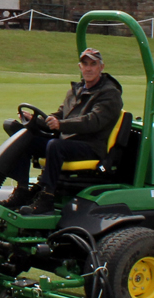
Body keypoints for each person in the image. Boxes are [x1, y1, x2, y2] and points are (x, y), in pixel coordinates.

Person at [18, 46, 126, 214]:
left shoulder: (110, 94)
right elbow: (60, 114)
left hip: (91, 146)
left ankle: (46, 197)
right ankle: (22, 190)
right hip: (70, 141)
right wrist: (36, 121)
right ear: (80, 67)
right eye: (85, 64)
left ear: (101, 67)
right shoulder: (76, 90)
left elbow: (93, 121)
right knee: (25, 140)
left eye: (93, 64)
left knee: (55, 146)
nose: (88, 68)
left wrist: (62, 125)